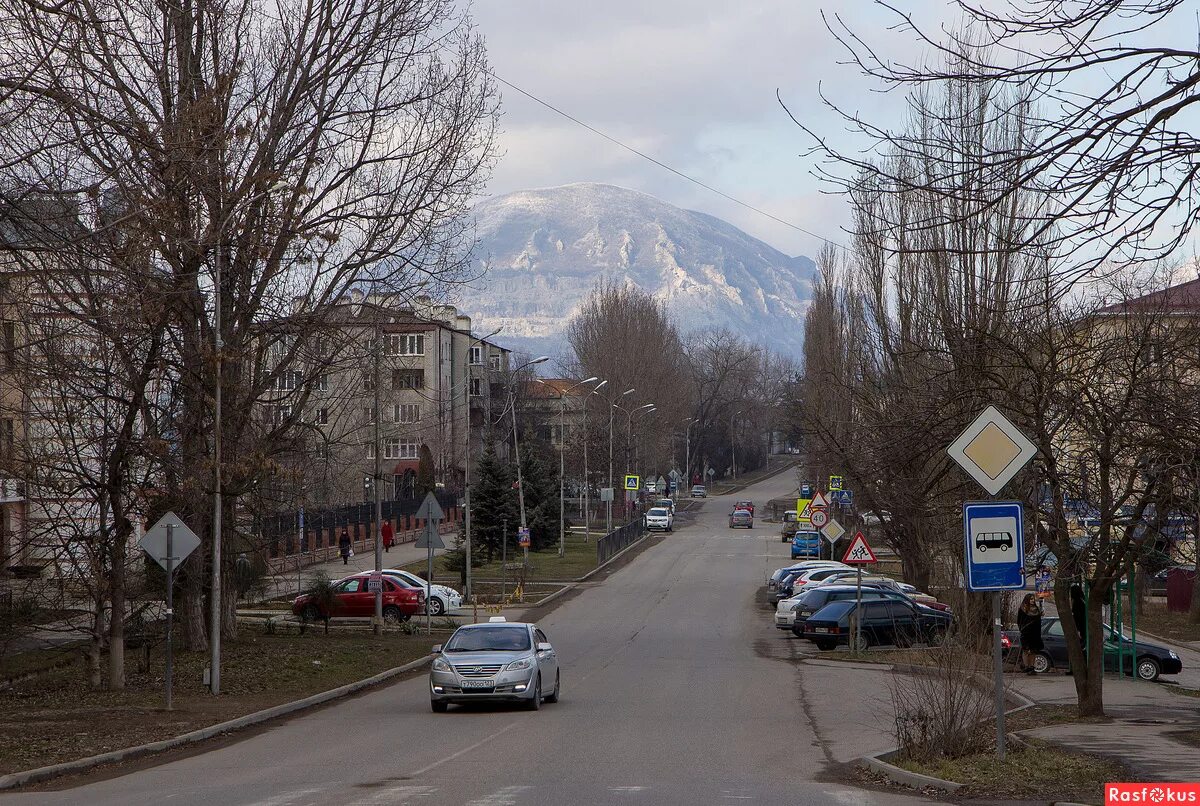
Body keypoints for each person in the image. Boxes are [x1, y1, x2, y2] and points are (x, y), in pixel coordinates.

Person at [1016, 593, 1044, 674]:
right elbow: (1019, 621)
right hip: (1026, 633)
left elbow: (1038, 622)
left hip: (1035, 633)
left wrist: (1040, 615)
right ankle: (1026, 666)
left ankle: (1032, 666)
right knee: (1026, 650)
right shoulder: (1023, 609)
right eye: (1031, 599)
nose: (1032, 601)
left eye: (1033, 599)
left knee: (1033, 651)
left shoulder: (1037, 609)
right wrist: (1022, 629)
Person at [1068, 583, 1087, 675]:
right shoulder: (1082, 601)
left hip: (1080, 629)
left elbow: (1078, 618)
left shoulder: (1077, 603)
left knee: (1079, 649)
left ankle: (1077, 669)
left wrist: (1078, 630)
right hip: (1083, 628)